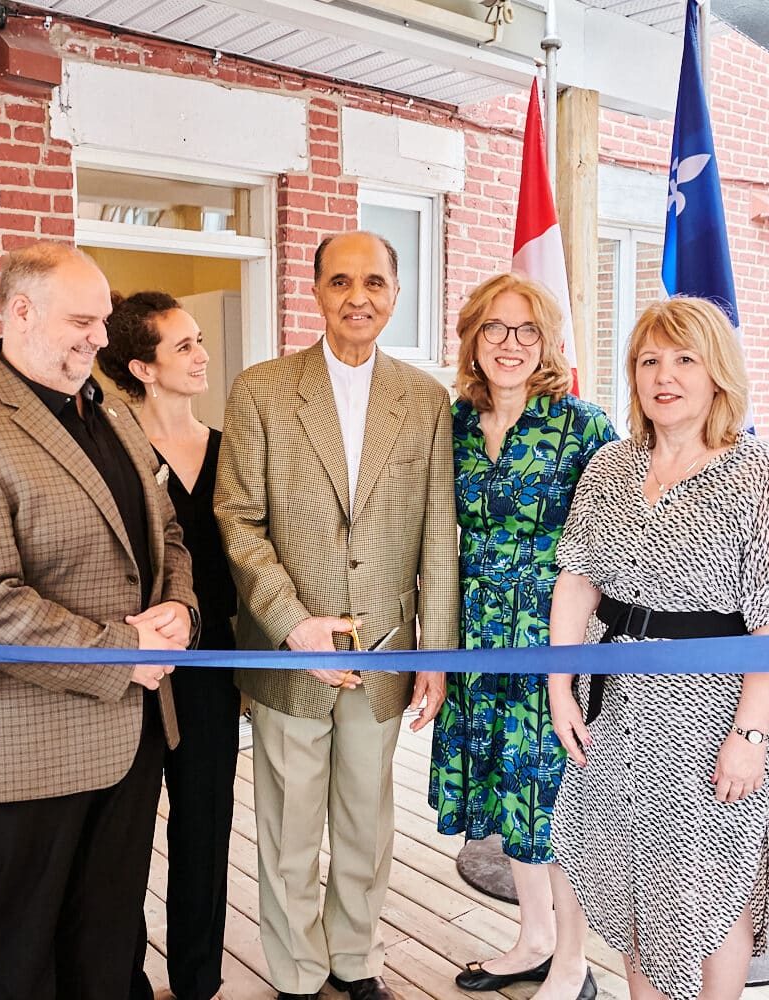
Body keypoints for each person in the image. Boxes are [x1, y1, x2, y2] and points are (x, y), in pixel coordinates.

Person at [0, 243, 198, 1000]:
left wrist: (180, 608)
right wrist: (123, 651)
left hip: (132, 727)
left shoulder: (110, 412)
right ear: (21, 312)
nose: (100, 338)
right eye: (81, 321)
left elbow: (164, 533)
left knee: (111, 930)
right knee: (22, 946)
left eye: (103, 321)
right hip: (25, 741)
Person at [546, 296, 769, 1000]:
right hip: (614, 708)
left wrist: (751, 734)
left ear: (717, 373)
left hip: (712, 716)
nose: (663, 375)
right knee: (631, 875)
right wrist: (559, 688)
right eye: (649, 360)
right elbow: (577, 581)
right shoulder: (609, 467)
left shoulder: (759, 471)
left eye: (684, 359)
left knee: (713, 884)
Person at [214, 230, 459, 1000]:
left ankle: (355, 961)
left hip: (387, 650)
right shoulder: (260, 389)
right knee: (288, 830)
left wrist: (435, 655)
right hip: (291, 650)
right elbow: (237, 518)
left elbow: (439, 534)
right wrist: (292, 624)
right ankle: (295, 973)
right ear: (315, 290)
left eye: (375, 282)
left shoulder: (425, 399)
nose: (359, 297)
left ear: (396, 293)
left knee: (366, 823)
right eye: (342, 281)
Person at [427, 273, 616, 991]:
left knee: (554, 802)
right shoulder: (451, 424)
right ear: (473, 338)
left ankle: (573, 961)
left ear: (548, 342)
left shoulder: (583, 426)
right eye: (495, 328)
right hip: (476, 636)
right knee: (511, 796)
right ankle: (535, 937)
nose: (510, 343)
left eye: (527, 329)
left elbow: (618, 535)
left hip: (554, 637)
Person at [98, 290, 240, 1000]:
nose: (202, 355)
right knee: (123, 836)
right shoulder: (110, 449)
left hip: (214, 665)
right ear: (142, 368)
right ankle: (124, 980)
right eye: (183, 346)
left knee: (205, 826)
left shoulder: (230, 448)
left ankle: (198, 979)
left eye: (199, 340)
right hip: (137, 664)